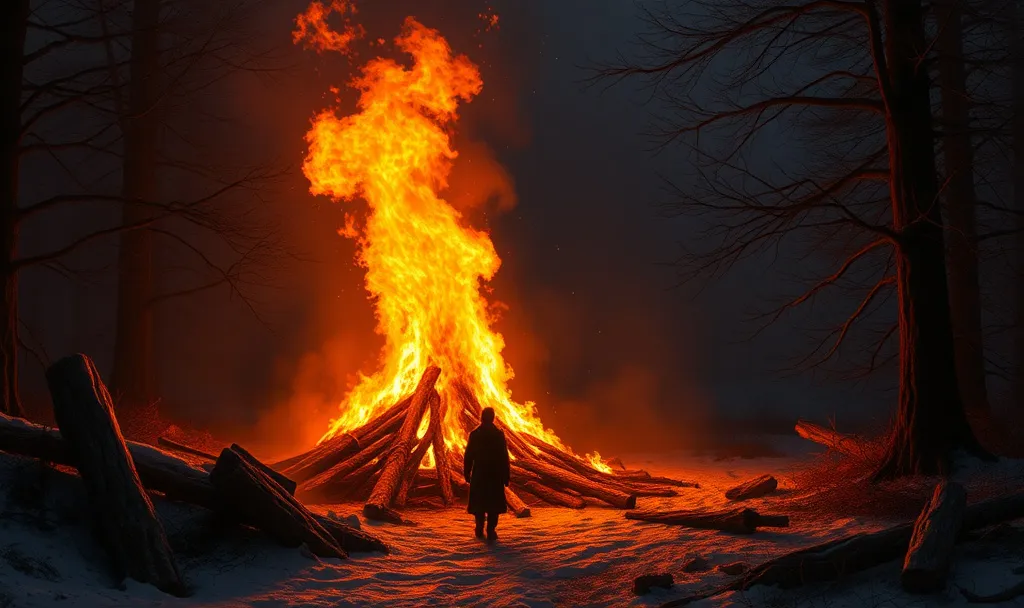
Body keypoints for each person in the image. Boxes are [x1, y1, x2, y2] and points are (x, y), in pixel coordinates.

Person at [463, 407, 511, 542]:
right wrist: (506, 476)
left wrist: (467, 472)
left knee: (480, 503)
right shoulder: (498, 435)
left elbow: (469, 456)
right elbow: (504, 457)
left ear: (481, 417)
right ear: (493, 418)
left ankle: (480, 528)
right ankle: (490, 530)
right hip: (494, 475)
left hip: (480, 474)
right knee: (493, 506)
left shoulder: (475, 434)